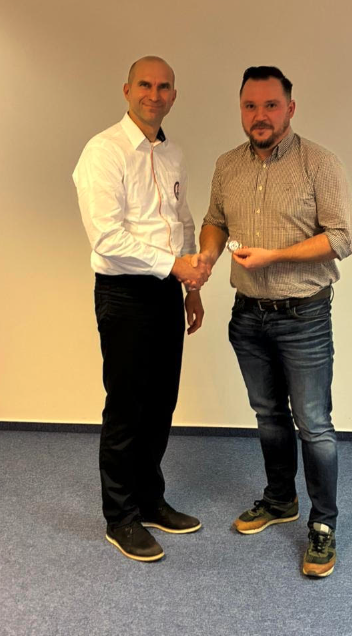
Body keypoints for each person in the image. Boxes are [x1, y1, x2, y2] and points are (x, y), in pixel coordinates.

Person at [199, 66, 352, 577]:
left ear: (290, 108)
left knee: (314, 423)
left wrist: (275, 257)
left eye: (270, 105)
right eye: (250, 106)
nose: (259, 115)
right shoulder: (227, 165)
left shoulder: (319, 164)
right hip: (247, 316)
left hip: (303, 316)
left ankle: (323, 524)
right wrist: (206, 259)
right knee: (268, 415)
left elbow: (342, 238)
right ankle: (280, 499)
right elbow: (215, 220)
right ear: (241, 109)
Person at [73, 56, 209, 562]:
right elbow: (107, 238)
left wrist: (191, 286)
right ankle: (120, 516)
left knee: (160, 403)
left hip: (167, 291)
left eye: (164, 86)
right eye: (145, 85)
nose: (155, 94)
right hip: (124, 294)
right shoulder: (103, 151)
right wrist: (175, 266)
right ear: (127, 89)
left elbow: (182, 220)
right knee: (127, 407)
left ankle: (150, 500)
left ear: (174, 94)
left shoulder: (173, 153)